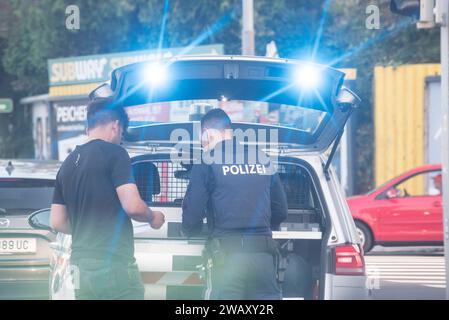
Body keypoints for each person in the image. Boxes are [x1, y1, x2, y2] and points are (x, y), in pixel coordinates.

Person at [50, 97, 165, 300]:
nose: (121, 138)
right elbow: (133, 206)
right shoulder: (115, 153)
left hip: (81, 265)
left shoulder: (67, 164)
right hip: (112, 263)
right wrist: (153, 217)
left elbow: (57, 221)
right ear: (116, 125)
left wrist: (87, 228)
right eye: (121, 133)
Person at [182, 108, 288, 300]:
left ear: (207, 133)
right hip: (264, 259)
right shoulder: (262, 157)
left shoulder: (206, 160)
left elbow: (193, 213)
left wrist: (191, 230)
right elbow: (281, 209)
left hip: (227, 259)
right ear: (229, 131)